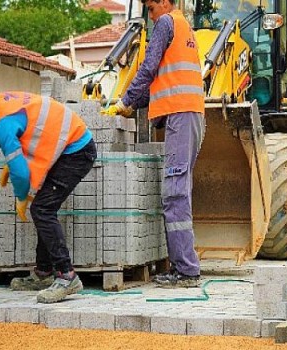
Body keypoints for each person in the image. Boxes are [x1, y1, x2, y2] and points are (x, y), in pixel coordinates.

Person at [0, 78, 97, 303]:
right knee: (44, 206)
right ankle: (44, 273)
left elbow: (21, 174)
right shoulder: (4, 99)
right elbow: (32, 134)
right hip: (70, 145)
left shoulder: (1, 122)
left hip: (77, 151)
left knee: (42, 209)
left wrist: (22, 196)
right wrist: (12, 164)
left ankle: (66, 275)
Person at [104, 0, 205, 288]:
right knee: (179, 189)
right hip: (190, 114)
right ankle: (184, 266)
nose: (149, 15)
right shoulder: (186, 28)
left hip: (182, 115)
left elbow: (148, 69)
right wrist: (135, 103)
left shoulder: (165, 23)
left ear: (164, 2)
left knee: (174, 193)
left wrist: (125, 101)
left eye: (150, 7)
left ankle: (186, 270)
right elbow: (163, 81)